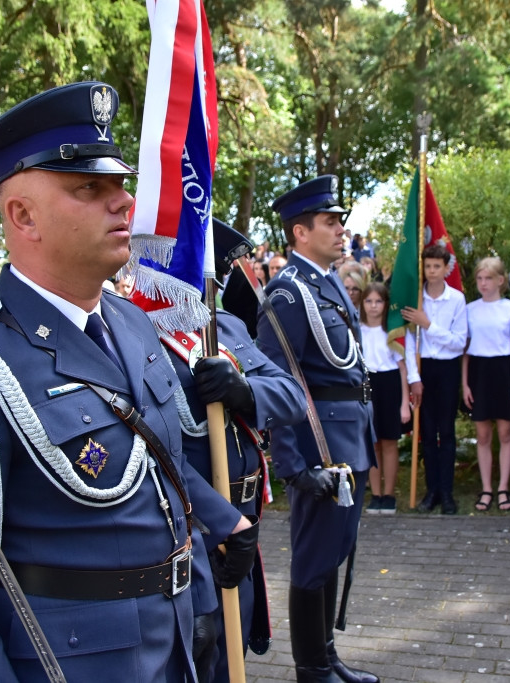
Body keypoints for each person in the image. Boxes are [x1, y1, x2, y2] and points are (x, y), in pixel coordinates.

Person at [0, 81, 256, 683]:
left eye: (119, 184)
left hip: (181, 641)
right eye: (91, 188)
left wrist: (220, 516)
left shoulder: (132, 323)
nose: (124, 203)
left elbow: (152, 455)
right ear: (22, 215)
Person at [140, 219, 307, 682]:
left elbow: (290, 395)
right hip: (191, 523)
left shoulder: (224, 325)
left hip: (244, 514)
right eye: (216, 267)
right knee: (202, 654)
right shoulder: (136, 328)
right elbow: (152, 448)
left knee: (236, 653)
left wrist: (245, 391)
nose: (222, 278)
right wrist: (215, 520)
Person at [256, 175, 379, 683]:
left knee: (334, 553)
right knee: (312, 559)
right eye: (329, 222)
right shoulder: (288, 293)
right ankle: (311, 669)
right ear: (299, 233)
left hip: (349, 438)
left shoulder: (328, 283)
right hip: (319, 447)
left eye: (339, 221)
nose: (339, 229)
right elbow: (276, 379)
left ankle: (327, 658)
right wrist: (294, 467)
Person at [402, 243, 469, 515]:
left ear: (446, 268)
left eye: (437, 267)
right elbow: (408, 344)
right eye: (428, 267)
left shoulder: (456, 300)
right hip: (423, 369)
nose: (432, 272)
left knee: (447, 432)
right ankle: (431, 492)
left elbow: (458, 342)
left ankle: (447, 492)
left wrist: (428, 324)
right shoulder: (416, 300)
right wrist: (414, 378)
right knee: (427, 433)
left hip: (448, 369)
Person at [462, 256, 510, 513]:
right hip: (479, 371)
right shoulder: (470, 309)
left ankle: (503, 487)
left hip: (504, 370)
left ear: (500, 280)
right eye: (479, 278)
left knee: (505, 433)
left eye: (489, 278)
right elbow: (465, 348)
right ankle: (487, 488)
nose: (484, 283)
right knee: (483, 435)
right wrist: (465, 383)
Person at [360, 282, 410, 515]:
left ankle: (389, 495)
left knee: (389, 442)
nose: (373, 306)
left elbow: (402, 369)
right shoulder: (356, 331)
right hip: (367, 386)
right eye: (368, 301)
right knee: (372, 443)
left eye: (378, 301)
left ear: (385, 304)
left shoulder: (391, 331)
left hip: (389, 386)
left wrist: (404, 404)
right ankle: (376, 494)